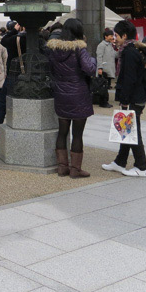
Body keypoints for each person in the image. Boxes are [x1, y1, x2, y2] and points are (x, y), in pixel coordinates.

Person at [45, 18, 96, 177]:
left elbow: (51, 70)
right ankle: (75, 169)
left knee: (62, 131)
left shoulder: (54, 49)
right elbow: (89, 69)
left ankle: (62, 167)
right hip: (78, 93)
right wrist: (93, 60)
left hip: (61, 93)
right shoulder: (79, 49)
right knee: (77, 133)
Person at [102, 20, 146, 177]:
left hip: (133, 97)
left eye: (116, 35)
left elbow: (129, 79)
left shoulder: (129, 52)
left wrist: (124, 101)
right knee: (126, 130)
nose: (114, 38)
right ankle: (120, 161)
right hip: (137, 95)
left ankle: (141, 166)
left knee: (133, 131)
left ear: (124, 35)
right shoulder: (133, 49)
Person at [96, 28, 117, 108]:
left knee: (106, 86)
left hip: (108, 69)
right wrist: (100, 68)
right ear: (106, 37)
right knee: (103, 87)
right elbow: (99, 57)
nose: (112, 37)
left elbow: (115, 55)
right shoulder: (101, 45)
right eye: (111, 36)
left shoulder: (110, 45)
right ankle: (103, 102)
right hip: (104, 69)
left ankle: (105, 101)